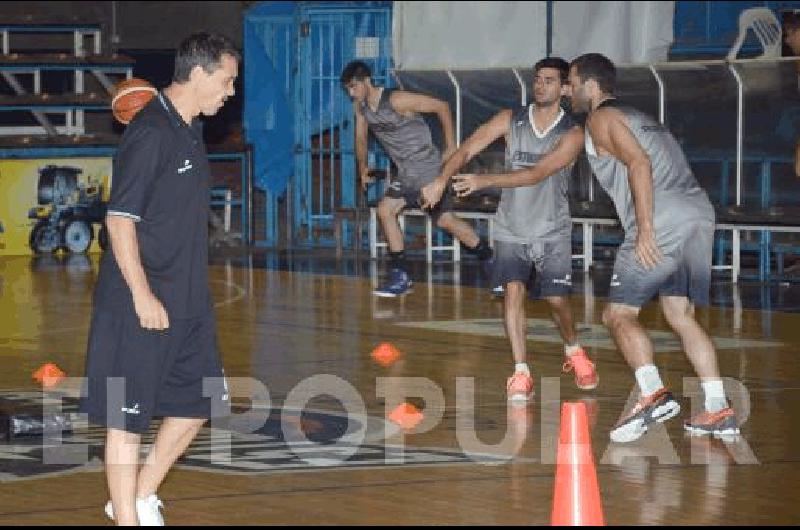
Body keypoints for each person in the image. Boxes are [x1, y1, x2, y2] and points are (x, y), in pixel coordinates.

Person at [79, 33, 238, 525]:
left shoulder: (189, 128)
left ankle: (140, 494)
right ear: (199, 73)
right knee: (127, 420)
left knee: (198, 403)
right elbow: (119, 220)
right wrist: (143, 294)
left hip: (188, 300)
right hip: (138, 301)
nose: (231, 92)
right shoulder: (151, 133)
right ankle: (127, 518)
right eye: (227, 81)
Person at [568, 53, 739, 442]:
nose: (569, 91)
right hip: (697, 212)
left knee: (617, 314)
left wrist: (645, 229)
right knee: (679, 313)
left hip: (662, 218)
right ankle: (717, 408)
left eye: (572, 82)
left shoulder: (601, 118)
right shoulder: (642, 118)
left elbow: (639, 164)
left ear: (590, 86)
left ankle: (652, 395)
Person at [427, 57, 598, 400]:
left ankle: (573, 349)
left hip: (551, 229)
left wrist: (482, 181)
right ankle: (521, 371)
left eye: (549, 81)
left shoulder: (574, 133)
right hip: (510, 226)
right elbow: (466, 149)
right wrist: (440, 181)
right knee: (513, 293)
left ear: (566, 88)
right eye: (537, 79)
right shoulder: (510, 118)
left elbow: (535, 174)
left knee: (556, 300)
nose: (540, 86)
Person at [341, 61, 493, 297]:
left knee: (445, 221)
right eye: (348, 89)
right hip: (406, 172)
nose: (351, 93)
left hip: (427, 167)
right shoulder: (361, 108)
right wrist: (362, 167)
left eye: (353, 87)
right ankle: (401, 276)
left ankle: (490, 259)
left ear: (366, 81)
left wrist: (451, 145)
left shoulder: (396, 100)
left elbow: (441, 106)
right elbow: (360, 139)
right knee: (386, 211)